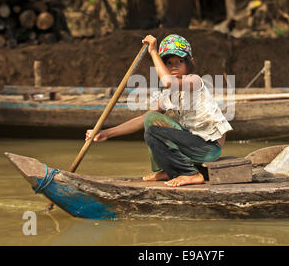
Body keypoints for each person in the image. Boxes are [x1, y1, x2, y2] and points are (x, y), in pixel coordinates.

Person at [85, 34, 233, 187]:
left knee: (153, 132)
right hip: (193, 142)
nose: (173, 66)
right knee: (151, 119)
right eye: (168, 63)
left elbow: (168, 81)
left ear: (190, 63)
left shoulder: (194, 80)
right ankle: (167, 169)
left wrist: (153, 51)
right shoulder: (169, 94)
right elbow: (143, 119)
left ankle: (191, 174)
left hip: (209, 149)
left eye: (180, 61)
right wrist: (106, 133)